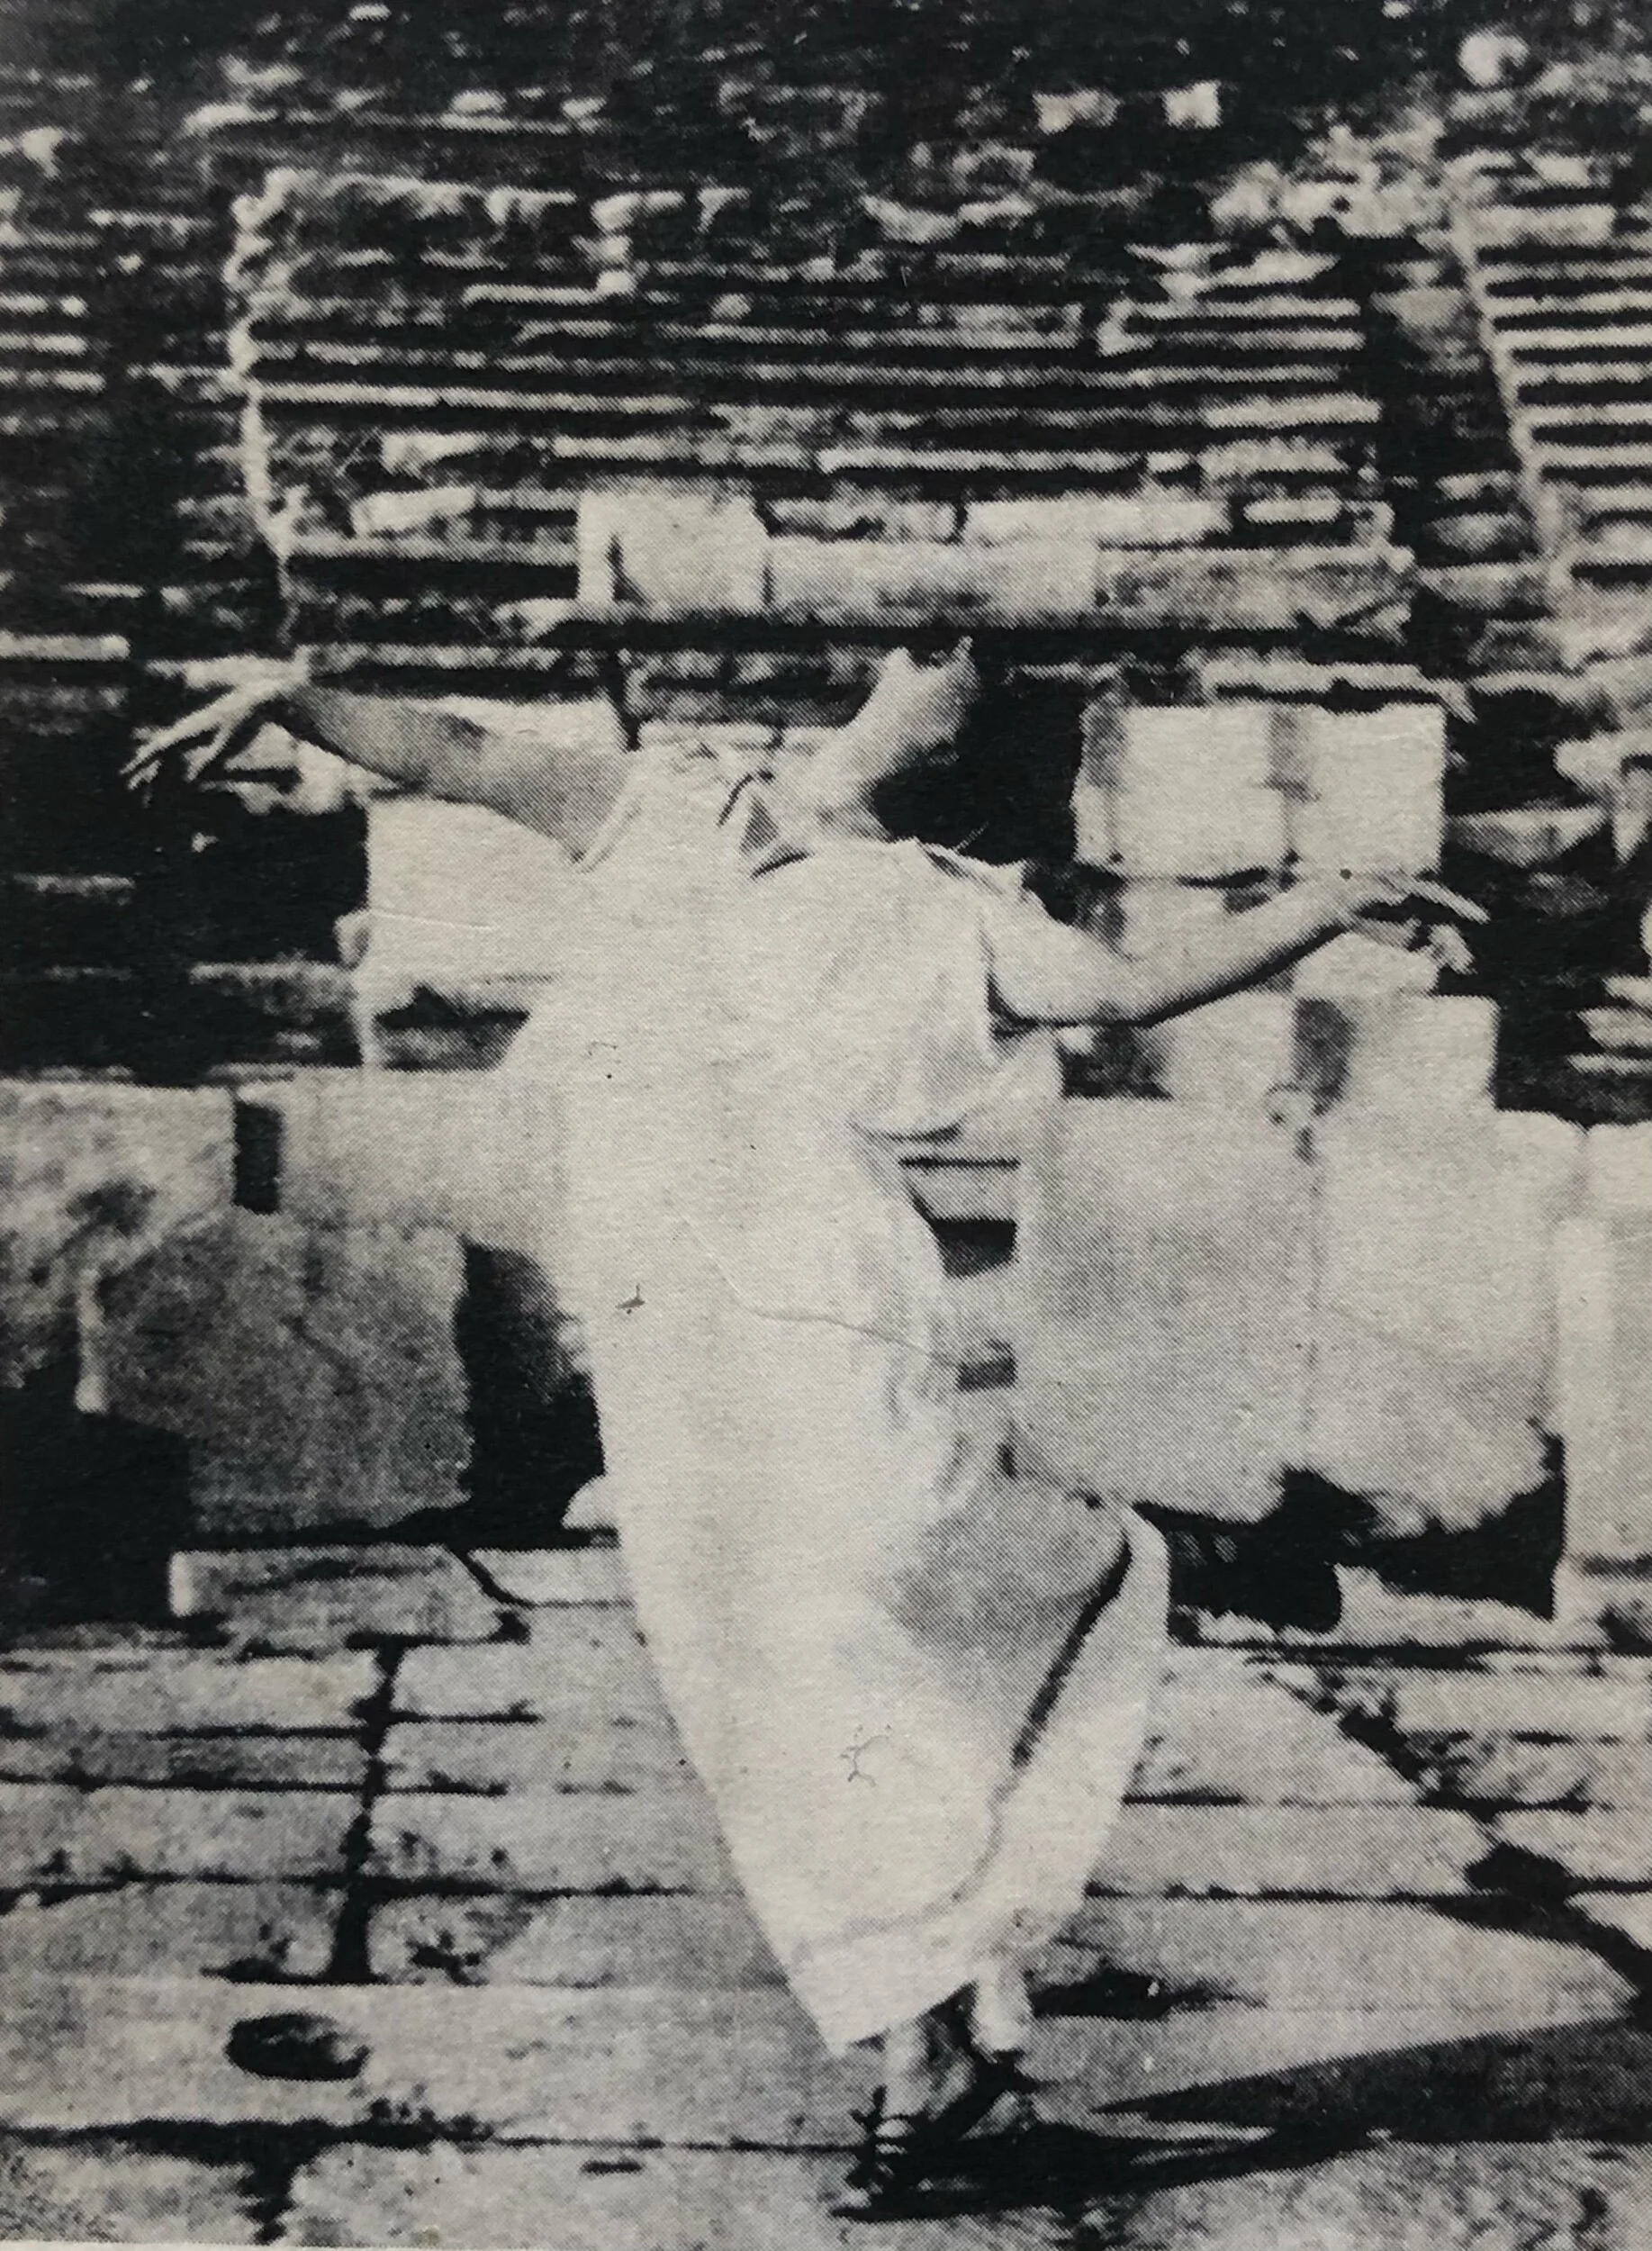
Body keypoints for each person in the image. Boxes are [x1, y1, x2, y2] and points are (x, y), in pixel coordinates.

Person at [132, 646, 1476, 2211]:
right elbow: (456, 750)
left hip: (813, 1295)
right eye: (924, 652)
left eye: (952, 668)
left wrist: (1320, 907)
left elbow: (1121, 990)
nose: (922, 659)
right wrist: (290, 697)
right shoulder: (675, 803)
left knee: (880, 1561)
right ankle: (932, 2056)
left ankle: (1137, 1556)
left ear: (960, 753)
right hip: (656, 1318)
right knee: (764, 1699)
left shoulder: (951, 903)